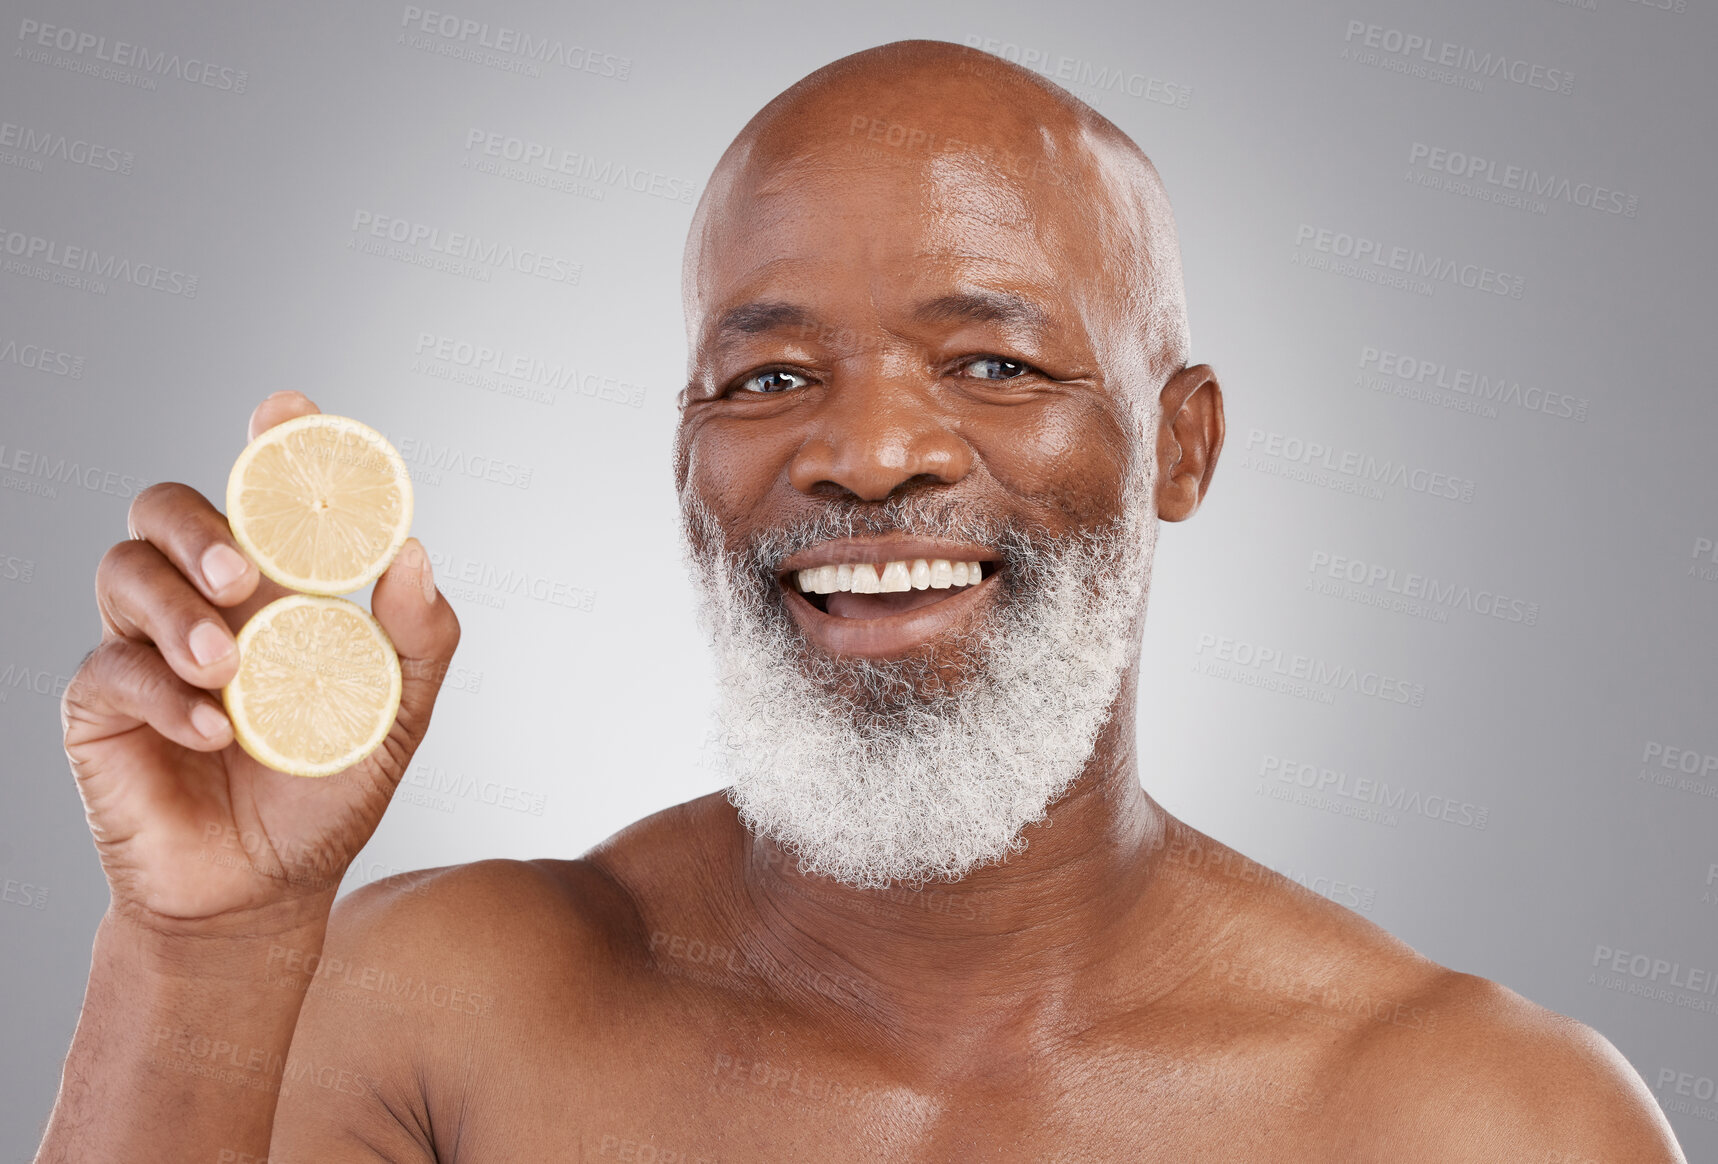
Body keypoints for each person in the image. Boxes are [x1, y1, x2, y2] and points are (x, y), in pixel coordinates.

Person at [35, 39, 1683, 1163]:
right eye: (765, 376)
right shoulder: (442, 1019)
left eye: (991, 360)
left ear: (1178, 443)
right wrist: (203, 943)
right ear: (682, 454)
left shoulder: (1468, 1117)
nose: (870, 450)